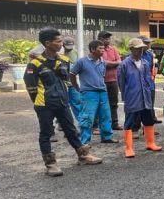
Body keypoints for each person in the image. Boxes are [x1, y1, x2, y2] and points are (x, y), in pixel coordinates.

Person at [24, 28, 101, 176]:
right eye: (58, 41)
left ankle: (83, 156)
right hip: (44, 104)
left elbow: (66, 80)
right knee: (46, 133)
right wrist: (39, 100)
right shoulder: (35, 64)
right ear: (47, 43)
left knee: (71, 130)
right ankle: (50, 164)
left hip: (62, 102)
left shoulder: (64, 60)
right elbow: (30, 86)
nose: (61, 44)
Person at [118, 38, 162, 157]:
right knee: (129, 122)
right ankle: (129, 148)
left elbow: (148, 78)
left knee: (148, 119)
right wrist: (126, 96)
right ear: (131, 49)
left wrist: (148, 89)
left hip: (145, 96)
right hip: (132, 97)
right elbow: (121, 83)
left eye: (142, 48)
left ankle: (150, 143)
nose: (141, 50)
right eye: (138, 48)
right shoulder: (124, 64)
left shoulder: (145, 63)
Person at [70, 40, 118, 147]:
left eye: (103, 48)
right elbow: (72, 74)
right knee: (87, 117)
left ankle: (107, 137)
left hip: (102, 92)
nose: (102, 51)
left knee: (106, 115)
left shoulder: (102, 61)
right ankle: (85, 141)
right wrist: (76, 87)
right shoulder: (81, 62)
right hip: (89, 93)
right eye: (100, 49)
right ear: (92, 49)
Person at [98, 31, 122, 131]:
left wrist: (111, 63)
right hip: (101, 81)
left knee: (114, 103)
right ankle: (102, 125)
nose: (107, 40)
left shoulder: (113, 49)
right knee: (102, 103)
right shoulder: (98, 49)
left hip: (113, 79)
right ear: (99, 39)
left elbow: (119, 61)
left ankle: (114, 123)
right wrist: (114, 63)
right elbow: (102, 63)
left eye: (108, 38)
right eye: (104, 38)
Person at [61, 36, 82, 122]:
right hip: (62, 83)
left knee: (76, 103)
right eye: (67, 47)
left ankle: (81, 122)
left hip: (72, 82)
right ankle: (61, 123)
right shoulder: (59, 53)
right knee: (63, 104)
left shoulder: (75, 53)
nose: (69, 49)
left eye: (71, 46)